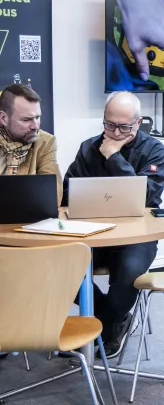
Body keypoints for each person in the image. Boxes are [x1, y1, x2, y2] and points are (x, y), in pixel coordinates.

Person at [62, 91, 164, 358]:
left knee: (130, 272)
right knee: (60, 268)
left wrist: (113, 157)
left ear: (138, 123)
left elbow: (146, 196)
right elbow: (68, 194)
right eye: (109, 125)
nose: (116, 133)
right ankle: (113, 320)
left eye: (124, 127)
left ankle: (103, 329)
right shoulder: (88, 148)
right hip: (93, 234)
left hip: (138, 236)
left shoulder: (154, 150)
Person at [0, 83, 63, 360]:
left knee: (66, 264)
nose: (35, 125)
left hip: (32, 235)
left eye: (38, 117)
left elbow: (53, 194)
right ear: (3, 118)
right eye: (26, 119)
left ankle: (108, 316)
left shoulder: (45, 142)